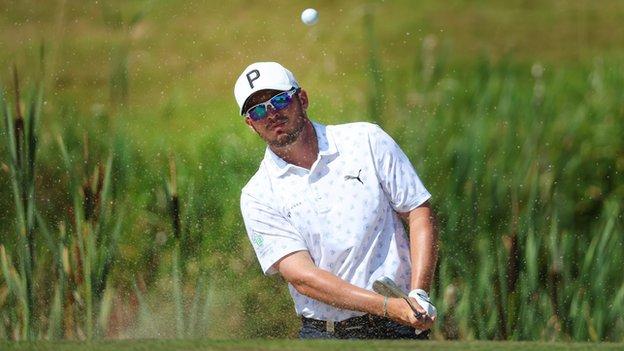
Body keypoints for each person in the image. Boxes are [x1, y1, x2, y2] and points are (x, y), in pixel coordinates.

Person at [235, 61, 439, 339]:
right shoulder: (257, 194)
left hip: (400, 327)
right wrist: (387, 307)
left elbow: (418, 211)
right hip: (328, 335)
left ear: (302, 99)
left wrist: (419, 292)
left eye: (280, 100)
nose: (271, 114)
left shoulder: (366, 140)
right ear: (251, 124)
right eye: (258, 110)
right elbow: (303, 278)